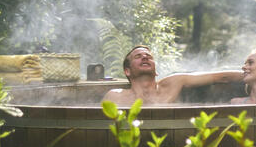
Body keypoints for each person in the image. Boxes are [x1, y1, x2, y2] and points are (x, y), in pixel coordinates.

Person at [103, 45, 243, 105]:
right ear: (127, 71)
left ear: (156, 70)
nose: (145, 57)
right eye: (138, 56)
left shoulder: (173, 83)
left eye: (149, 56)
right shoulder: (115, 96)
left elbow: (221, 77)